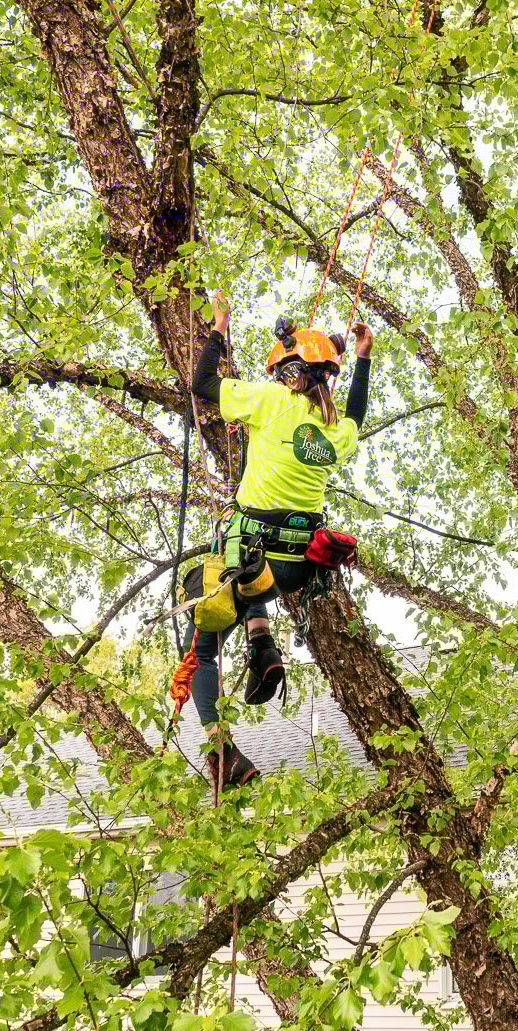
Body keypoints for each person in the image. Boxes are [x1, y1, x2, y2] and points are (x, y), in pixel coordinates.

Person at [183, 291, 373, 790]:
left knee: (199, 649)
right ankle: (262, 641)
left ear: (289, 373)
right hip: (296, 567)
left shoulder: (268, 401)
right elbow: (357, 415)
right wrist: (363, 360)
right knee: (250, 574)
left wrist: (219, 327)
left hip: (255, 554)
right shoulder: (335, 429)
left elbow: (202, 384)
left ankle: (221, 749)